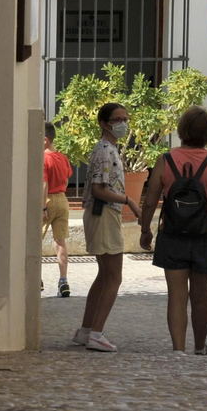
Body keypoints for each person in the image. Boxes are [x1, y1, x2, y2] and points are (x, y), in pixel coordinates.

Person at [139, 105, 207, 355]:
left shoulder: (166, 160)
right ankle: (198, 347)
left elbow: (150, 200)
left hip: (172, 234)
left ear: (181, 130)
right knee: (200, 296)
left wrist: (145, 229)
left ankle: (178, 349)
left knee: (176, 296)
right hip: (206, 235)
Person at [73, 102, 139, 352]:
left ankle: (86, 330)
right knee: (114, 276)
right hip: (103, 215)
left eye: (125, 118)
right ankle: (96, 333)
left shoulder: (108, 149)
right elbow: (98, 190)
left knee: (103, 276)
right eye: (117, 119)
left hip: (102, 215)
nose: (122, 123)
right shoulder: (104, 151)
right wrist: (129, 200)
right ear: (104, 123)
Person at [42, 122, 73, 298]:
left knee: (35, 241)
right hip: (63, 199)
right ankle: (63, 281)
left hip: (48, 199)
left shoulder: (43, 159)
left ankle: (36, 279)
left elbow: (44, 184)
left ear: (45, 140)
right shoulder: (62, 157)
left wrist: (43, 206)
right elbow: (67, 180)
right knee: (60, 241)